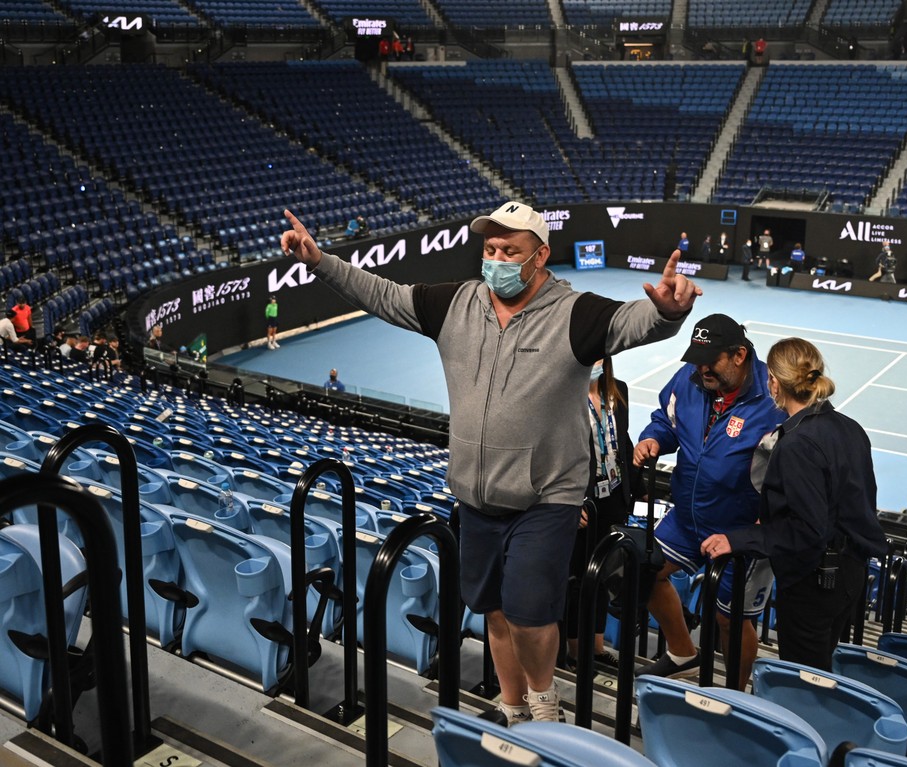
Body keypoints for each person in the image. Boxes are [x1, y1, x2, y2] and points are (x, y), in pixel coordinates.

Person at [280, 201, 700, 724]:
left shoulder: (574, 313)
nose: (497, 258)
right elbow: (382, 295)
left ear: (540, 256)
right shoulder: (454, 303)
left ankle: (546, 707)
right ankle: (513, 704)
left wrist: (668, 310)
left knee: (529, 613)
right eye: (491, 248)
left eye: (511, 251)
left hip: (546, 498)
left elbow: (631, 321)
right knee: (494, 611)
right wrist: (320, 261)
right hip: (477, 497)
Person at [701, 337, 886, 671]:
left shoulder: (797, 445)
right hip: (850, 575)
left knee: (805, 681)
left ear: (774, 381)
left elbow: (807, 530)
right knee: (822, 669)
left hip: (813, 585)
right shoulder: (851, 429)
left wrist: (738, 539)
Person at [633, 315, 784, 688]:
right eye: (696, 360)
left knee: (728, 619)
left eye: (710, 360)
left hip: (742, 528)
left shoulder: (774, 396)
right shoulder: (689, 380)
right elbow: (665, 421)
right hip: (688, 514)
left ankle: (735, 691)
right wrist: (653, 439)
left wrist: (769, 523)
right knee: (644, 571)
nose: (701, 369)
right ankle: (683, 653)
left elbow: (794, 466)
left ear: (738, 355)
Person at [565, 357, 635, 671]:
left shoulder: (617, 390)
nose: (593, 362)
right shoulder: (563, 395)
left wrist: (636, 485)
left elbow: (622, 438)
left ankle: (596, 647)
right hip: (583, 503)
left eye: (599, 356)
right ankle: (575, 651)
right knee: (579, 578)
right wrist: (570, 500)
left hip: (613, 501)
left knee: (603, 575)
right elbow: (555, 453)